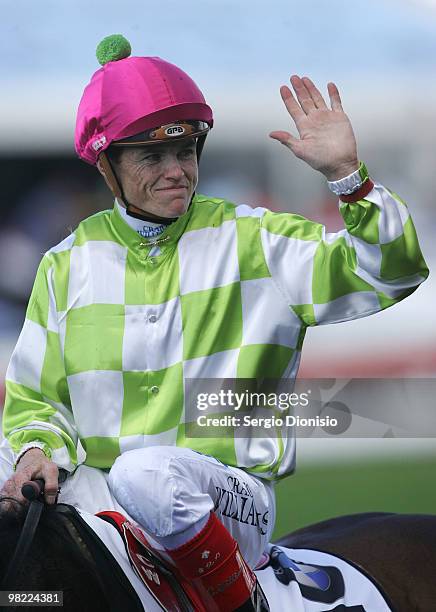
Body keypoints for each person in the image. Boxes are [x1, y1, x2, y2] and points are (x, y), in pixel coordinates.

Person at [0, 34, 428, 610]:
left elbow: (391, 272)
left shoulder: (256, 240)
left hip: (227, 499)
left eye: (187, 151)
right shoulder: (65, 264)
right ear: (107, 165)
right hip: (104, 501)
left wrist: (349, 177)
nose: (177, 170)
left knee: (147, 474)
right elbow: (35, 400)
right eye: (153, 156)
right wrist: (33, 452)